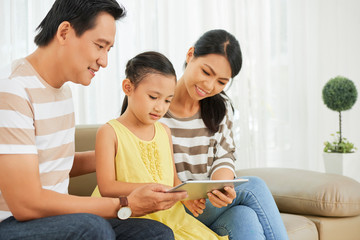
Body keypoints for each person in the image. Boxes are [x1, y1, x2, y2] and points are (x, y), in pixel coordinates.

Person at [0, 1, 187, 239]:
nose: (104, 61)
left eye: (108, 50)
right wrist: (124, 203)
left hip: (57, 217)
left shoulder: (62, 92)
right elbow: (26, 203)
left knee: (155, 233)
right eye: (100, 46)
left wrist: (124, 151)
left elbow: (54, 164)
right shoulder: (12, 90)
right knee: (93, 228)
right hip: (11, 223)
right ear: (64, 32)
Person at [160, 29, 289, 240]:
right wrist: (181, 196)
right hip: (171, 207)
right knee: (254, 186)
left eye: (221, 81)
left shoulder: (220, 108)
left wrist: (223, 188)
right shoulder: (155, 101)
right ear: (190, 54)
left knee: (242, 216)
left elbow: (224, 157)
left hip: (203, 207)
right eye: (206, 72)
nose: (209, 86)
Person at [92, 51, 228, 240]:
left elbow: (173, 180)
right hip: (132, 216)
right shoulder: (109, 132)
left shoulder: (164, 131)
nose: (160, 108)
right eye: (153, 97)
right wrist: (150, 188)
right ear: (128, 87)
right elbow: (106, 187)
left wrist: (186, 198)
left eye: (167, 100)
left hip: (170, 215)